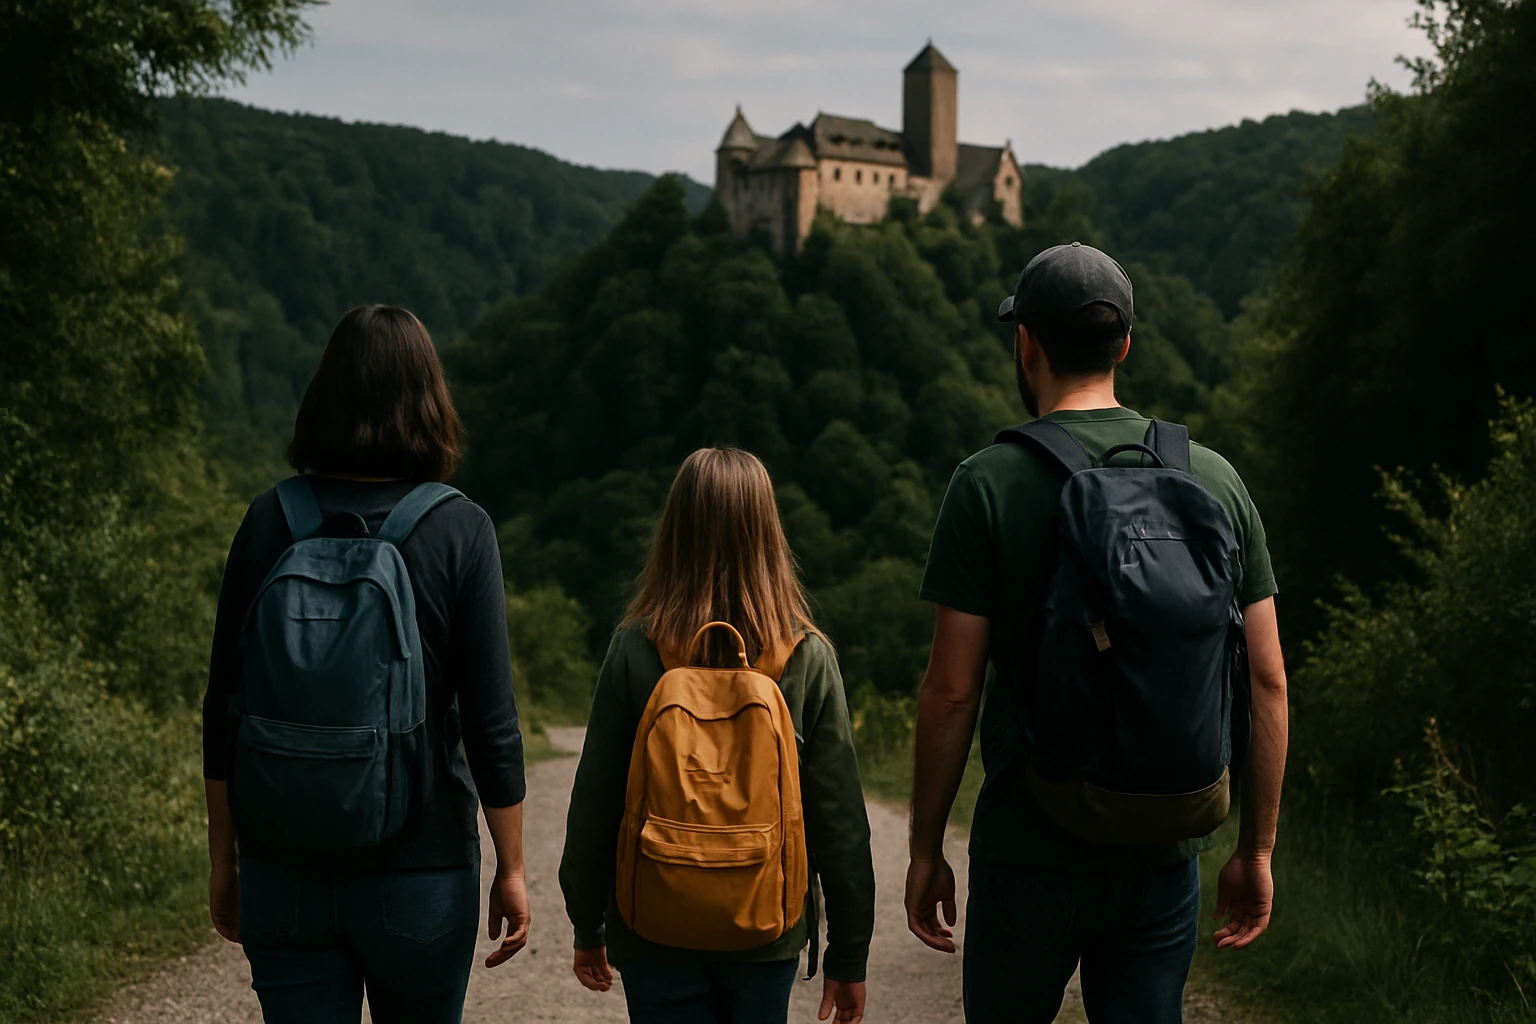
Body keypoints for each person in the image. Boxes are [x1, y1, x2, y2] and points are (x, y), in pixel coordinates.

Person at [903, 244, 1290, 1023]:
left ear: (1026, 344)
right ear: (1125, 344)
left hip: (1028, 844)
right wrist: (1255, 850)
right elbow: (1267, 679)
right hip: (1163, 843)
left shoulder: (986, 483)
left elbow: (951, 692)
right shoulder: (1213, 479)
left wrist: (925, 848)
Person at [202, 305, 531, 1023]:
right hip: (421, 870)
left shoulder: (269, 520)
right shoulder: (459, 528)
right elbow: (491, 721)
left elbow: (223, 708)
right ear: (430, 401)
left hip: (284, 865)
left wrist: (224, 859)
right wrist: (511, 867)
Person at [559, 447, 876, 1024]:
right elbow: (840, 821)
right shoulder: (805, 655)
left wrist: (588, 923)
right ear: (768, 534)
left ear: (674, 532)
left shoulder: (636, 648)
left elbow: (596, 801)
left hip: (653, 925)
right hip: (764, 928)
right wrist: (849, 954)